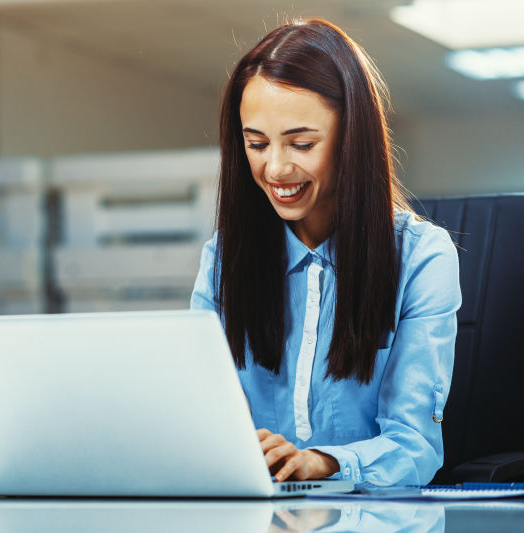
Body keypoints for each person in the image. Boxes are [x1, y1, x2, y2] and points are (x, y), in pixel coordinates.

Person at [190, 19, 461, 486]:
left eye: (301, 143)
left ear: (351, 138)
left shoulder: (422, 259)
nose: (275, 168)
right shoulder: (222, 261)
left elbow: (415, 447)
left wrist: (322, 462)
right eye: (256, 144)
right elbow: (194, 422)